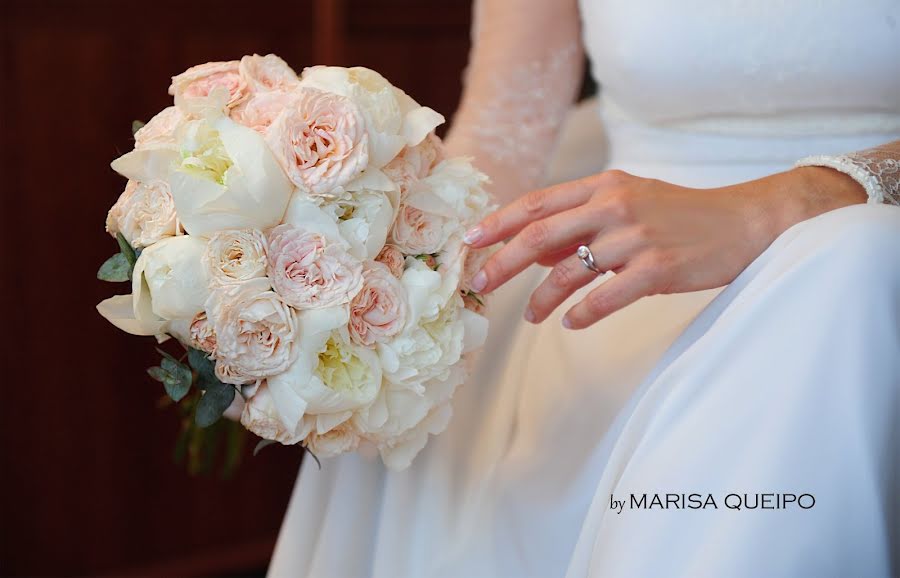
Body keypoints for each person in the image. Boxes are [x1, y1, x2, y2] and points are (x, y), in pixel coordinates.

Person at [267, 0, 900, 576]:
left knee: (857, 260)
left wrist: (774, 206)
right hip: (615, 261)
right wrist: (331, 279)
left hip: (872, 218)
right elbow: (502, 135)